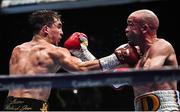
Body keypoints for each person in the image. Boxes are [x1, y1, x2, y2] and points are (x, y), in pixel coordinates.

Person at [3, 10, 139, 111]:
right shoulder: (56, 51)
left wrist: (81, 52)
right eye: (59, 26)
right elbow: (83, 69)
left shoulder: (18, 49)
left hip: (8, 106)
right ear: (46, 29)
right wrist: (118, 57)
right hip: (33, 107)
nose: (62, 32)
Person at [125, 9, 179, 111]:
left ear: (144, 28)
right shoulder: (135, 55)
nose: (126, 29)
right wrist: (84, 51)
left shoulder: (162, 46)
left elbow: (147, 77)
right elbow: (106, 74)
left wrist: (123, 74)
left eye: (131, 25)